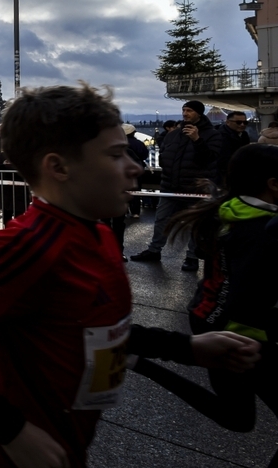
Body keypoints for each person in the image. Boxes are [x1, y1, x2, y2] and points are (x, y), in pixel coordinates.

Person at [0, 83, 260, 468]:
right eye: (115, 155)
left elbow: (94, 327)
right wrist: (10, 429)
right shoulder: (28, 246)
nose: (136, 166)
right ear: (59, 167)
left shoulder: (97, 234)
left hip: (64, 446)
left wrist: (188, 348)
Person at [127, 143, 278, 465]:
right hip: (243, 333)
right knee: (236, 416)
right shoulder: (263, 229)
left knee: (237, 416)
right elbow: (246, 290)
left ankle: (139, 362)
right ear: (273, 184)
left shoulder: (227, 210)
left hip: (210, 315)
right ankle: (139, 362)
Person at [131, 100, 223, 272]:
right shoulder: (174, 134)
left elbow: (209, 158)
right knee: (161, 219)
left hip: (195, 188)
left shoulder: (212, 134)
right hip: (170, 185)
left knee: (196, 224)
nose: (185, 113)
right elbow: (165, 152)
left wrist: (197, 140)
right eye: (184, 110)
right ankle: (154, 250)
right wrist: (165, 163)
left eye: (189, 111)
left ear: (199, 113)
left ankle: (192, 257)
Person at [216, 111, 251, 186]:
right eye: (238, 122)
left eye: (245, 122)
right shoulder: (220, 136)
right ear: (228, 122)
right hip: (225, 174)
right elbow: (222, 159)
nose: (242, 125)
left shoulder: (244, 135)